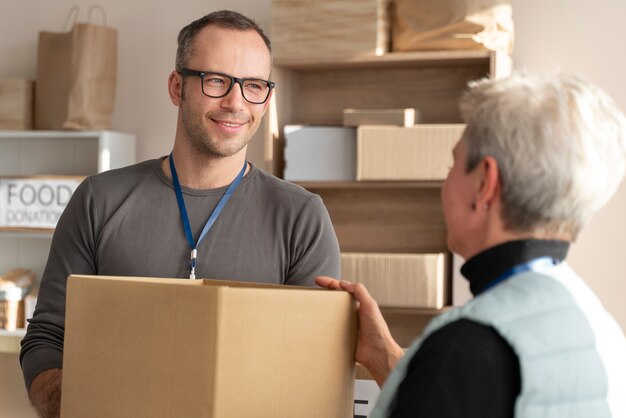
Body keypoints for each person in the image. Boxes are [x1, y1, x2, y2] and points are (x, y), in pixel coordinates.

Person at [20, 10, 340, 418]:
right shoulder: (97, 201)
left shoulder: (302, 218)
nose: (235, 102)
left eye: (253, 85)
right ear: (177, 87)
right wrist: (78, 404)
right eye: (216, 80)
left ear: (267, 98)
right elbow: (47, 339)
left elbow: (312, 369)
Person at [318, 71, 626, 417]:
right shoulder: (598, 327)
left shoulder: (464, 346)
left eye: (453, 164)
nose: (445, 184)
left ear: (485, 183)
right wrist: (383, 357)